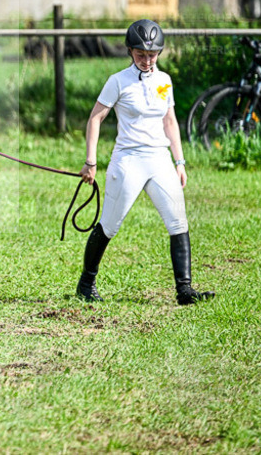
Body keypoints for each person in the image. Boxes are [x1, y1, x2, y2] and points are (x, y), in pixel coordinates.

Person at [77, 19, 215, 306]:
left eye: (152, 55)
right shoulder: (118, 81)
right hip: (128, 160)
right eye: (141, 54)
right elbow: (95, 118)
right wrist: (91, 161)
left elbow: (169, 120)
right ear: (130, 51)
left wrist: (180, 161)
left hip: (160, 159)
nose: (147, 60)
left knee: (178, 221)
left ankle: (184, 289)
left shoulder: (164, 81)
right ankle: (86, 284)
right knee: (110, 225)